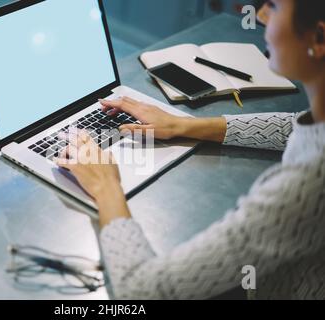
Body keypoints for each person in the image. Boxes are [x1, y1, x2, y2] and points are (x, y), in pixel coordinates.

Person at [55, 0, 325, 299]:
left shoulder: (309, 183)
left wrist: (105, 185)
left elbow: (141, 292)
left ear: (319, 38)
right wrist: (184, 126)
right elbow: (290, 126)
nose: (259, 15)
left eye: (273, 6)